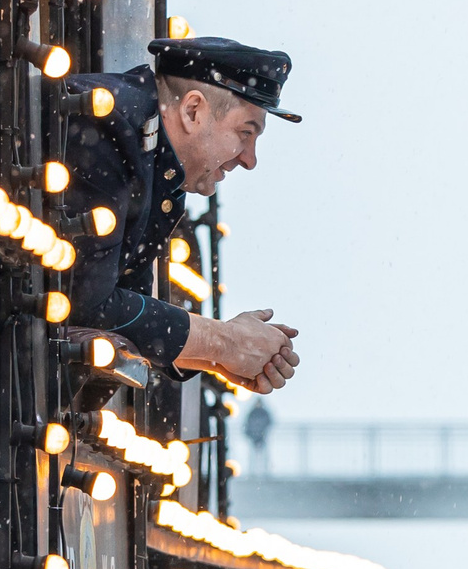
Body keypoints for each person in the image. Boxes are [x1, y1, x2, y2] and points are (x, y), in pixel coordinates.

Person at [59, 37, 304, 393]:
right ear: (193, 111)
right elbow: (87, 303)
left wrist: (218, 357)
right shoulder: (106, 124)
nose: (249, 159)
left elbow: (122, 312)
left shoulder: (155, 163)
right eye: (244, 133)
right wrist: (225, 343)